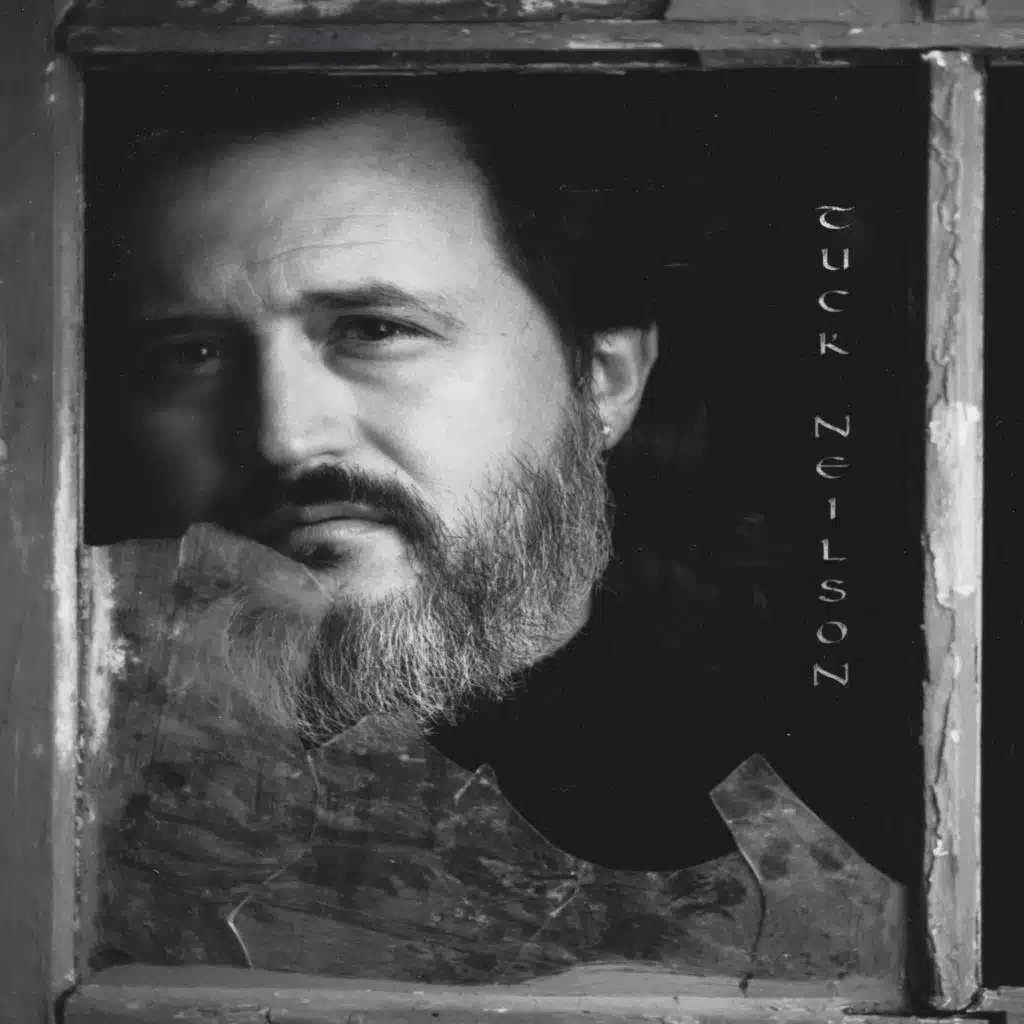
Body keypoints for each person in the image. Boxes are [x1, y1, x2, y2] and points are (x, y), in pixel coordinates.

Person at [86, 77, 919, 980]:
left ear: (602, 379)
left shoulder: (833, 828)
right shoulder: (62, 797)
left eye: (375, 329)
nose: (282, 436)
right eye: (193, 354)